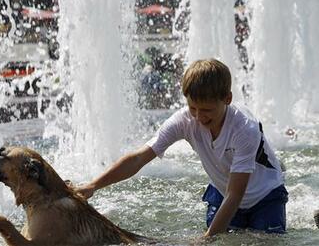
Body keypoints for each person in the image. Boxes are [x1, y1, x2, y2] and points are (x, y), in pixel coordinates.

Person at [75, 58, 288, 237]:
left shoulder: (244, 129)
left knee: (264, 241)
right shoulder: (184, 121)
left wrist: (207, 239)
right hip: (223, 191)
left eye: (207, 110)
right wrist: (93, 186)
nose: (199, 116)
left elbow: (236, 194)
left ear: (227, 99)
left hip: (264, 196)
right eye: (192, 107)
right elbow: (139, 158)